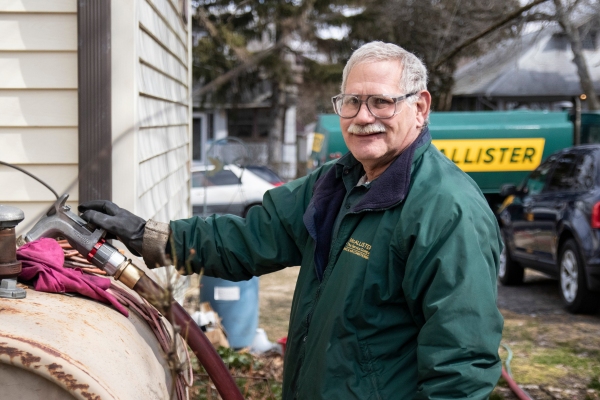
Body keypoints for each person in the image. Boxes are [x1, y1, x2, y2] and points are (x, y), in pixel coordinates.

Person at [80, 41, 504, 399]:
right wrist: (147, 235)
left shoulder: (446, 210)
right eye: (352, 101)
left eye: (381, 101)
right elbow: (250, 238)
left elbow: (461, 362)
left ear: (421, 107)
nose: (362, 116)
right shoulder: (338, 181)